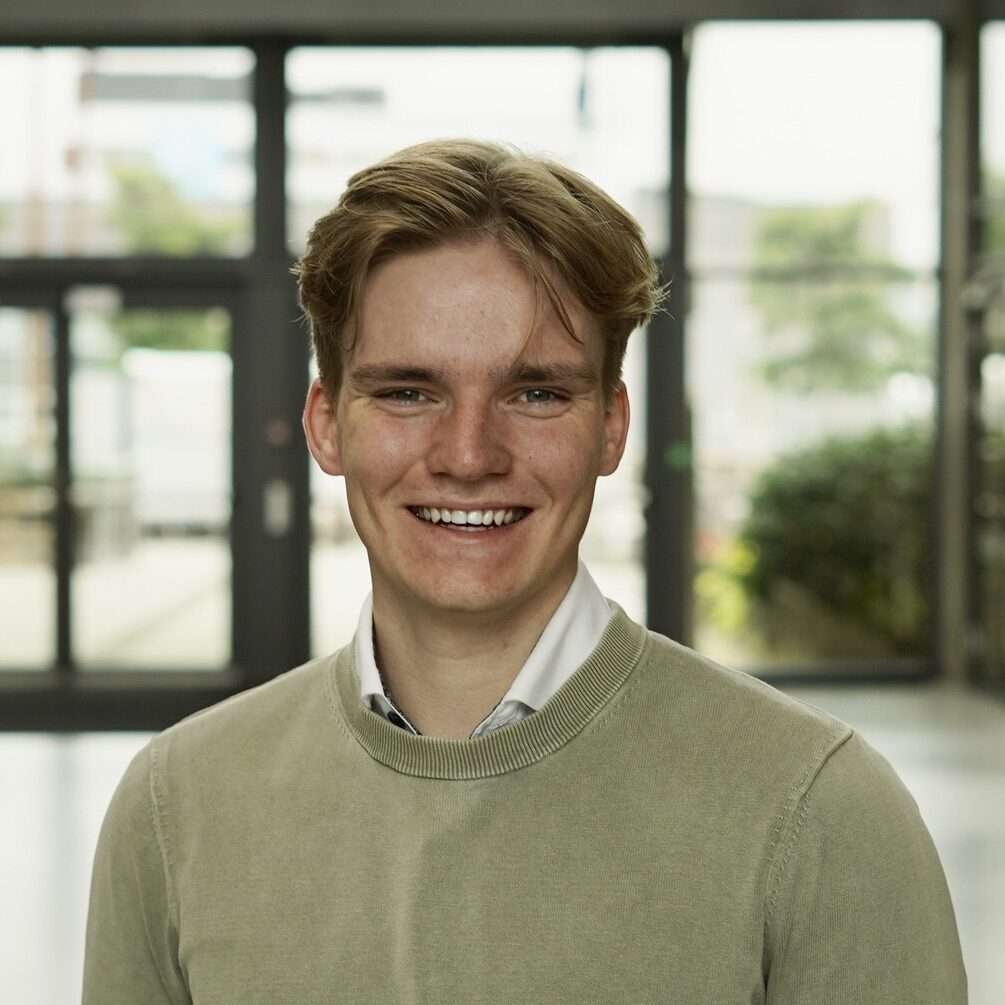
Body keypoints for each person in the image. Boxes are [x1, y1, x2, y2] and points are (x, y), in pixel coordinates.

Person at [82, 139, 968, 1003]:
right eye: (407, 391)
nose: (468, 454)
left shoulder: (817, 812)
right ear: (326, 424)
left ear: (610, 427)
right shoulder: (176, 808)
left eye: (536, 392)